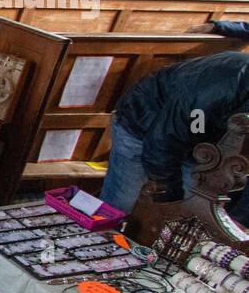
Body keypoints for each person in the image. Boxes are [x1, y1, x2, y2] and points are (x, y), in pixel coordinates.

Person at [100, 51, 249, 225]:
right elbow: (163, 142)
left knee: (181, 216)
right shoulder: (214, 91)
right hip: (142, 124)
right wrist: (171, 191)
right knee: (120, 205)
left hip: (196, 140)